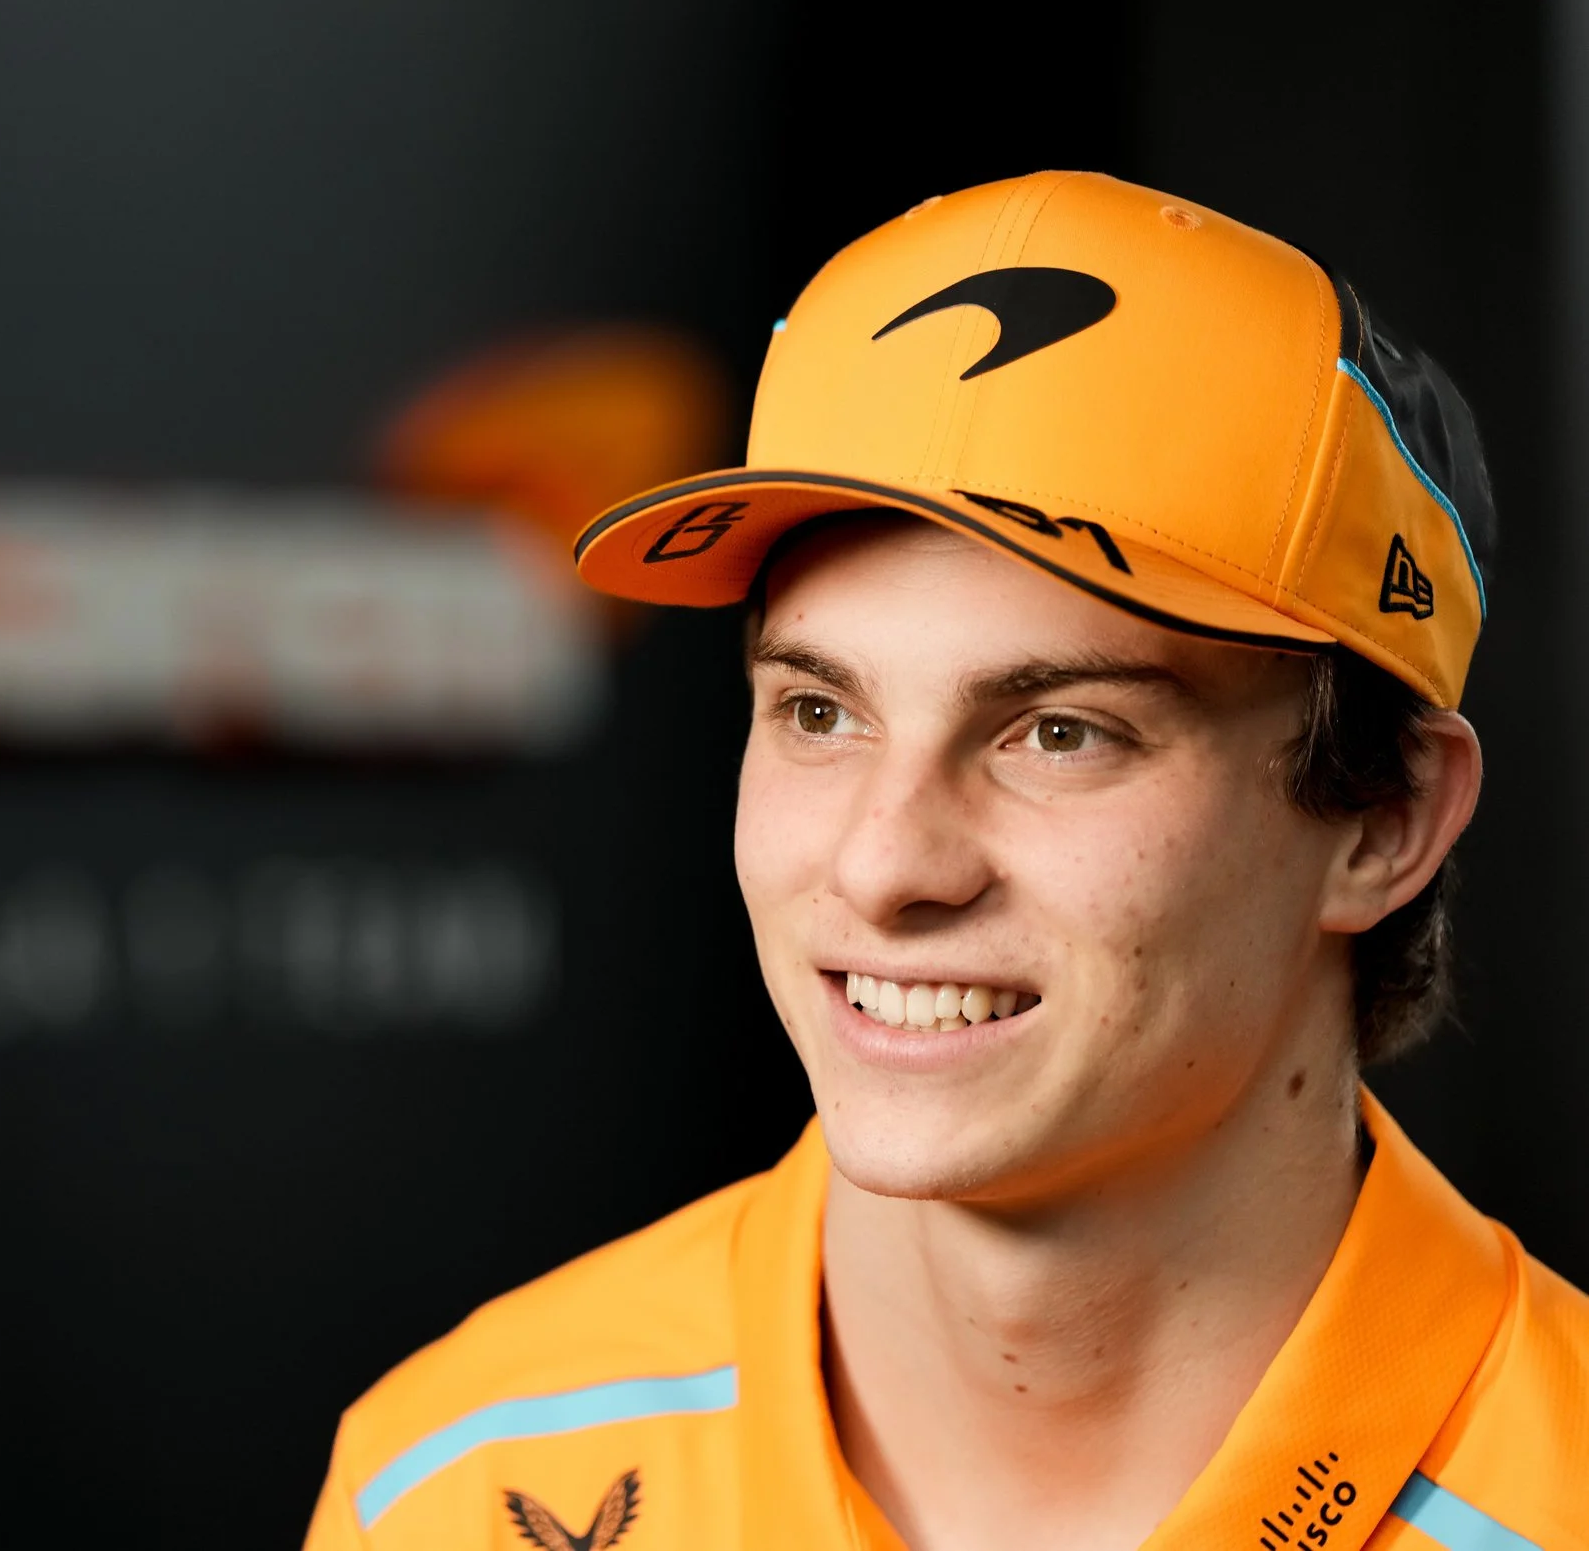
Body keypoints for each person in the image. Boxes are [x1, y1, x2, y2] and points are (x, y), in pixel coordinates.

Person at [300, 172, 1589, 1550]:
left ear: (1386, 817)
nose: (886, 862)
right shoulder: (453, 1481)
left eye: (1060, 731)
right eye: (819, 709)